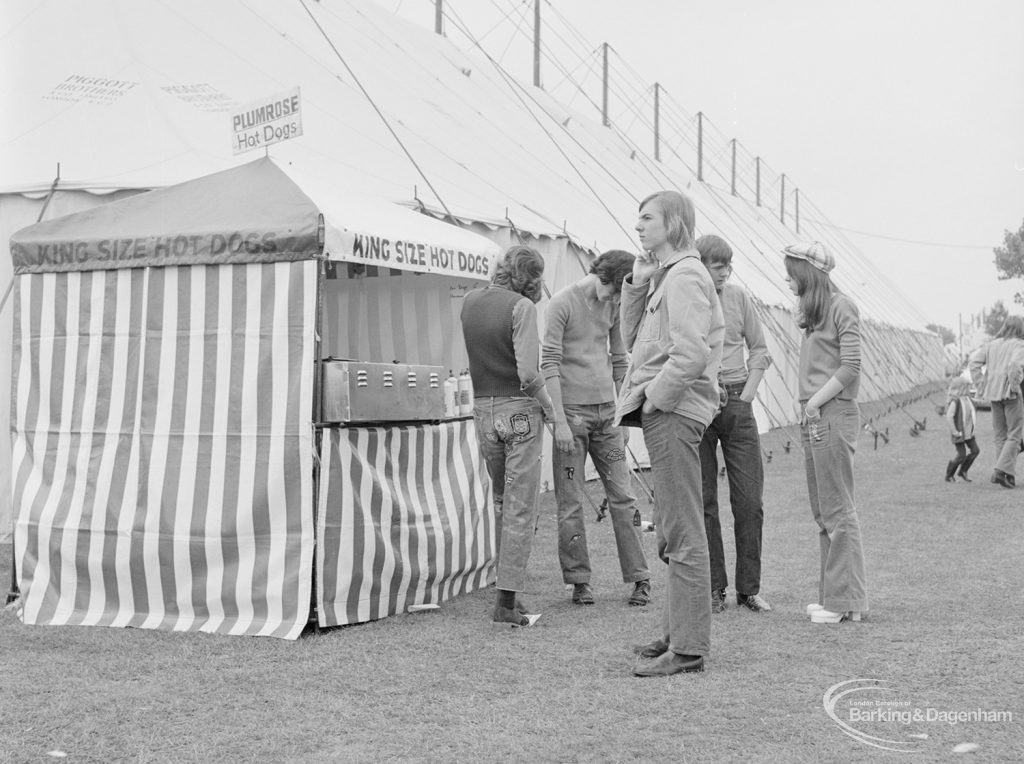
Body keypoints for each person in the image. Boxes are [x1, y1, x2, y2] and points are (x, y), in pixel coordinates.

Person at [617, 190, 724, 677]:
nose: (638, 226)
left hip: (674, 409)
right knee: (672, 528)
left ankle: (687, 649)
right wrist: (637, 284)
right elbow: (634, 340)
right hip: (670, 409)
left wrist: (657, 399)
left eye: (647, 219)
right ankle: (674, 633)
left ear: (674, 224)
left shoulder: (684, 276)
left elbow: (691, 354)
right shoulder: (668, 276)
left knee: (681, 531)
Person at [541, 250, 651, 608]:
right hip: (571, 417)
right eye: (618, 291)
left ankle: (640, 578)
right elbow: (549, 364)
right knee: (570, 501)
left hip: (607, 416)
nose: (619, 300)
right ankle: (579, 581)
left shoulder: (614, 306)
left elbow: (621, 361)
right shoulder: (561, 303)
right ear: (606, 278)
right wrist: (557, 420)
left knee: (624, 496)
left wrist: (624, 414)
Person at [461, 245, 555, 626]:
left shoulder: (468, 301)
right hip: (519, 412)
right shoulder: (522, 308)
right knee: (520, 506)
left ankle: (506, 593)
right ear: (531, 278)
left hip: (484, 410)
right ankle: (505, 602)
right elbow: (529, 374)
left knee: (501, 501)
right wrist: (551, 410)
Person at [782, 242, 867, 625]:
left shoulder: (841, 306)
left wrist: (815, 402)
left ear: (808, 273)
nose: (788, 279)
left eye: (792, 273)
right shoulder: (816, 312)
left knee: (838, 510)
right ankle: (835, 597)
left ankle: (845, 600)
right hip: (815, 413)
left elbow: (850, 366)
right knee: (824, 512)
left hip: (831, 413)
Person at [695, 234, 773, 614]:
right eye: (717, 265)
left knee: (749, 500)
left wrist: (747, 394)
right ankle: (714, 587)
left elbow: (760, 349)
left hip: (736, 396)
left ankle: (748, 589)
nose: (724, 273)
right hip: (698, 399)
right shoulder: (687, 296)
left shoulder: (739, 298)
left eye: (728, 266)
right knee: (704, 499)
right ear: (700, 265)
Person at [968, 315, 1024, 489]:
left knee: (1000, 436)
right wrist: (1014, 385)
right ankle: (1000, 471)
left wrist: (982, 385)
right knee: (1014, 434)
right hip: (1010, 394)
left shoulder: (991, 345)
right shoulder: (1019, 345)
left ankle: (1008, 476)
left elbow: (973, 363)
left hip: (993, 394)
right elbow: (1015, 364)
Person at [944, 376, 980, 483]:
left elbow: (976, 405)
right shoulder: (955, 402)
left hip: (969, 433)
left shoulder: (968, 400)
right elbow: (949, 416)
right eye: (968, 387)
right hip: (959, 433)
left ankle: (963, 471)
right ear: (962, 388)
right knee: (961, 455)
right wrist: (954, 431)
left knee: (975, 451)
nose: (969, 389)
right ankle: (949, 475)